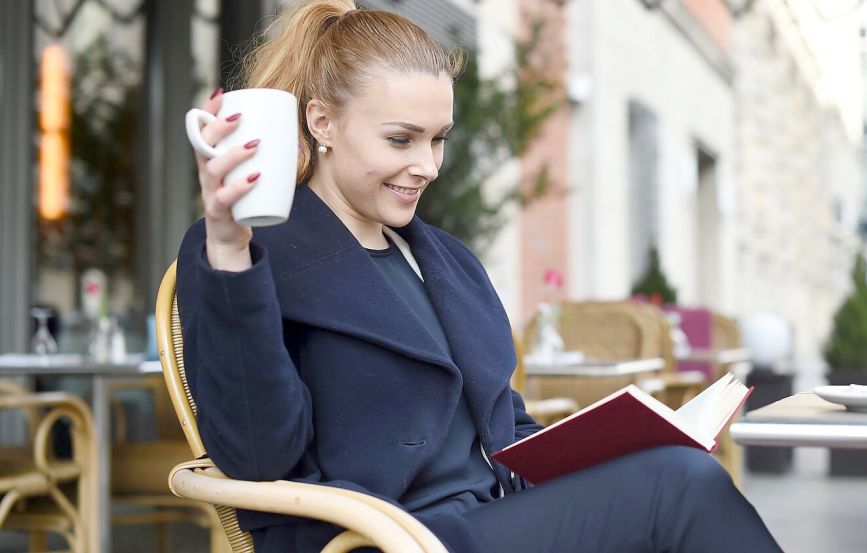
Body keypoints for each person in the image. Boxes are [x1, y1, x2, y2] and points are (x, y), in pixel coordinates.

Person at [177, 1, 784, 551]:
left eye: (438, 139)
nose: (427, 166)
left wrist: (619, 440)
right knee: (677, 488)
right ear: (322, 122)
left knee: (669, 480)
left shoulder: (445, 261)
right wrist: (229, 248)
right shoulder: (250, 255)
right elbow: (255, 454)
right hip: (377, 539)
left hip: (490, 521)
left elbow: (506, 427)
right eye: (401, 139)